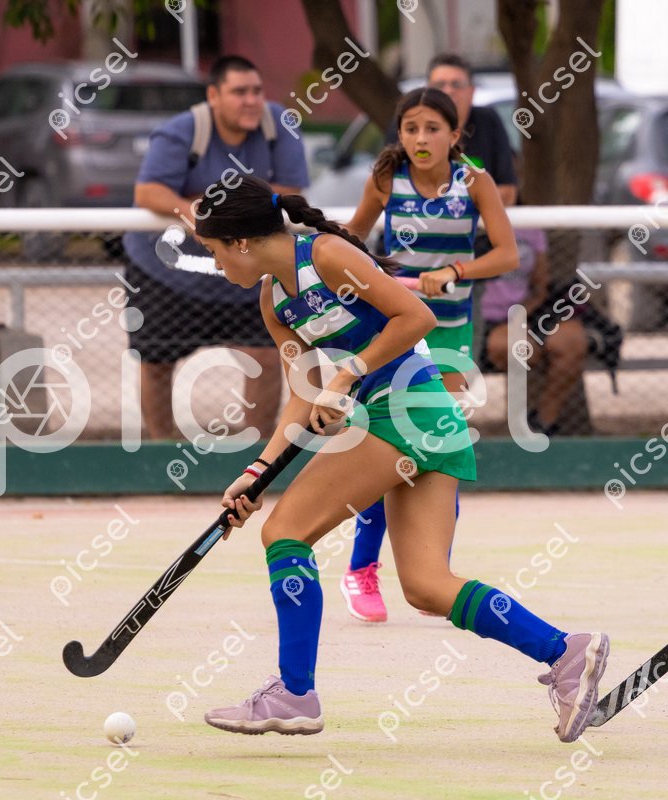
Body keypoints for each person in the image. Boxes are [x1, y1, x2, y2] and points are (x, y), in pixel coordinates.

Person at [192, 174, 608, 744]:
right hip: (424, 425)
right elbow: (302, 394)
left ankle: (294, 692)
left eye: (213, 250)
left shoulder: (327, 255)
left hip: (406, 410)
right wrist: (256, 473)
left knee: (285, 533)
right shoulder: (274, 300)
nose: (215, 265)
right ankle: (565, 652)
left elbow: (416, 317)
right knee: (427, 586)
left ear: (240, 240)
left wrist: (347, 373)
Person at [338, 88, 518, 623]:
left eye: (433, 129)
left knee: (442, 449)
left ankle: (434, 573)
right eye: (411, 128)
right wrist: (373, 276)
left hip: (449, 332)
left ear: (455, 135)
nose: (421, 139)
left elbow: (506, 253)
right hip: (395, 330)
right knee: (388, 449)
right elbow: (348, 243)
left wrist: (455, 271)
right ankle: (361, 569)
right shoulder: (385, 179)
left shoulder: (475, 181)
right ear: (399, 134)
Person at [122, 55, 309, 439]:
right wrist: (195, 210)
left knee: (267, 357)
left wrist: (214, 205)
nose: (251, 101)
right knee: (155, 361)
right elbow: (148, 191)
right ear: (213, 96)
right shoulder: (180, 131)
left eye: (256, 91)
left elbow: (291, 191)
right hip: (166, 270)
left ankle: (256, 454)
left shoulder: (280, 125)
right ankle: (161, 450)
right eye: (239, 92)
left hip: (246, 269)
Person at [481, 225, 588, 436]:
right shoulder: (468, 223)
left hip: (524, 314)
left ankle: (543, 423)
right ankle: (517, 425)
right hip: (480, 318)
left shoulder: (530, 229)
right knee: (515, 348)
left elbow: (540, 288)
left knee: (571, 342)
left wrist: (521, 316)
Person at [390, 53, 517, 208]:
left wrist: (456, 209)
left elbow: (508, 191)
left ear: (454, 136)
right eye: (440, 85)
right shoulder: (406, 123)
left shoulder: (488, 122)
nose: (449, 91)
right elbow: (388, 189)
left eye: (457, 84)